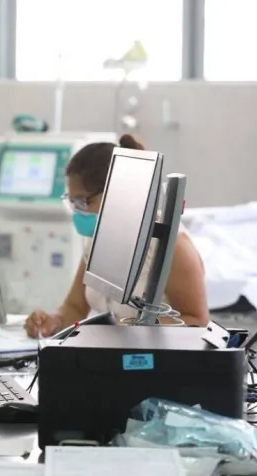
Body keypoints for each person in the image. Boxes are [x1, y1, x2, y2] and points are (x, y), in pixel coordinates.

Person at [24, 134, 208, 338]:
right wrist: (54, 321)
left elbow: (196, 321)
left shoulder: (172, 247)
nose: (78, 211)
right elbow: (75, 306)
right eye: (72, 202)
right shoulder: (96, 239)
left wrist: (133, 329)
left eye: (83, 202)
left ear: (116, 192)